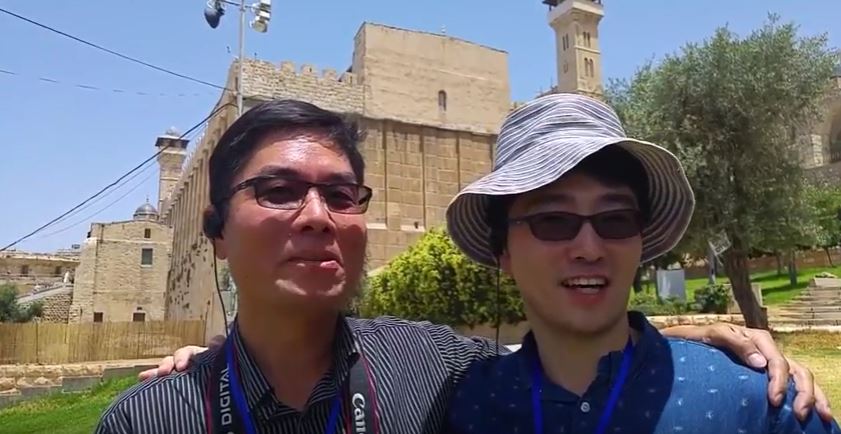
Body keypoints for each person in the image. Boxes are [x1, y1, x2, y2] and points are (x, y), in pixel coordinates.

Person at [110, 98, 830, 434]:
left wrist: (704, 339)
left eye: (339, 194)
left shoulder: (436, 371)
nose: (315, 217)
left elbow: (574, 339)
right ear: (216, 235)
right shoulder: (153, 420)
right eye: (277, 191)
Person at [441, 93, 840, 433]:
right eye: (553, 221)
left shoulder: (757, 403)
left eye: (615, 220)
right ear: (503, 251)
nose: (589, 248)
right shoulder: (467, 407)